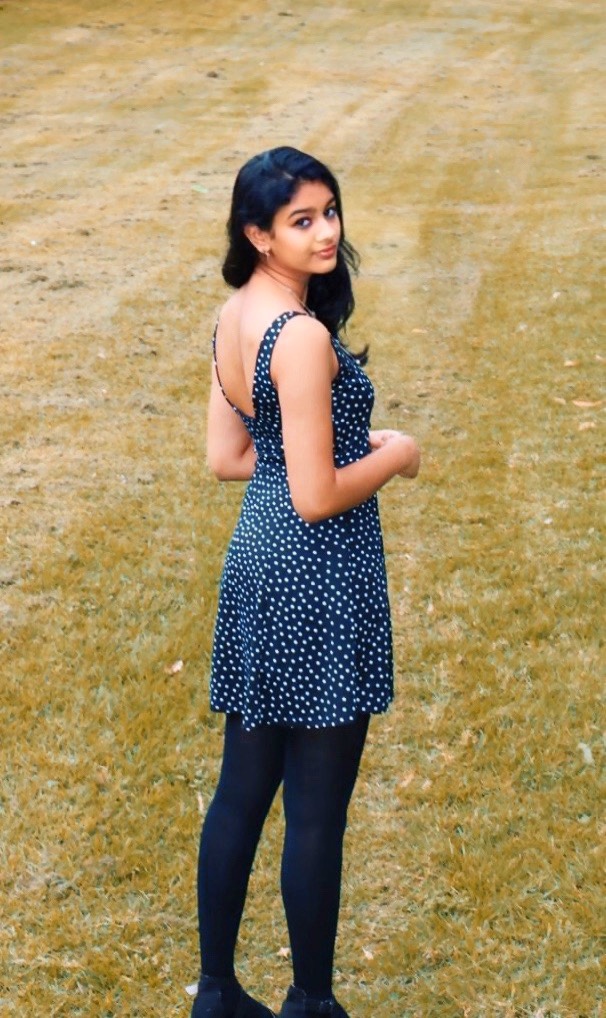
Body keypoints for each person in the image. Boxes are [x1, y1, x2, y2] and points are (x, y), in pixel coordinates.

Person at [190, 146, 420, 1018]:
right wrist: (393, 455)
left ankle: (217, 993)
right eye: (301, 220)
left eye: (329, 211)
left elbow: (229, 457)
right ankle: (312, 1003)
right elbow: (317, 496)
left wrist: (323, 450)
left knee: (242, 791)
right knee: (317, 811)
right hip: (316, 578)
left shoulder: (235, 315)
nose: (326, 232)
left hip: (259, 567)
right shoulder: (301, 336)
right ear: (258, 234)